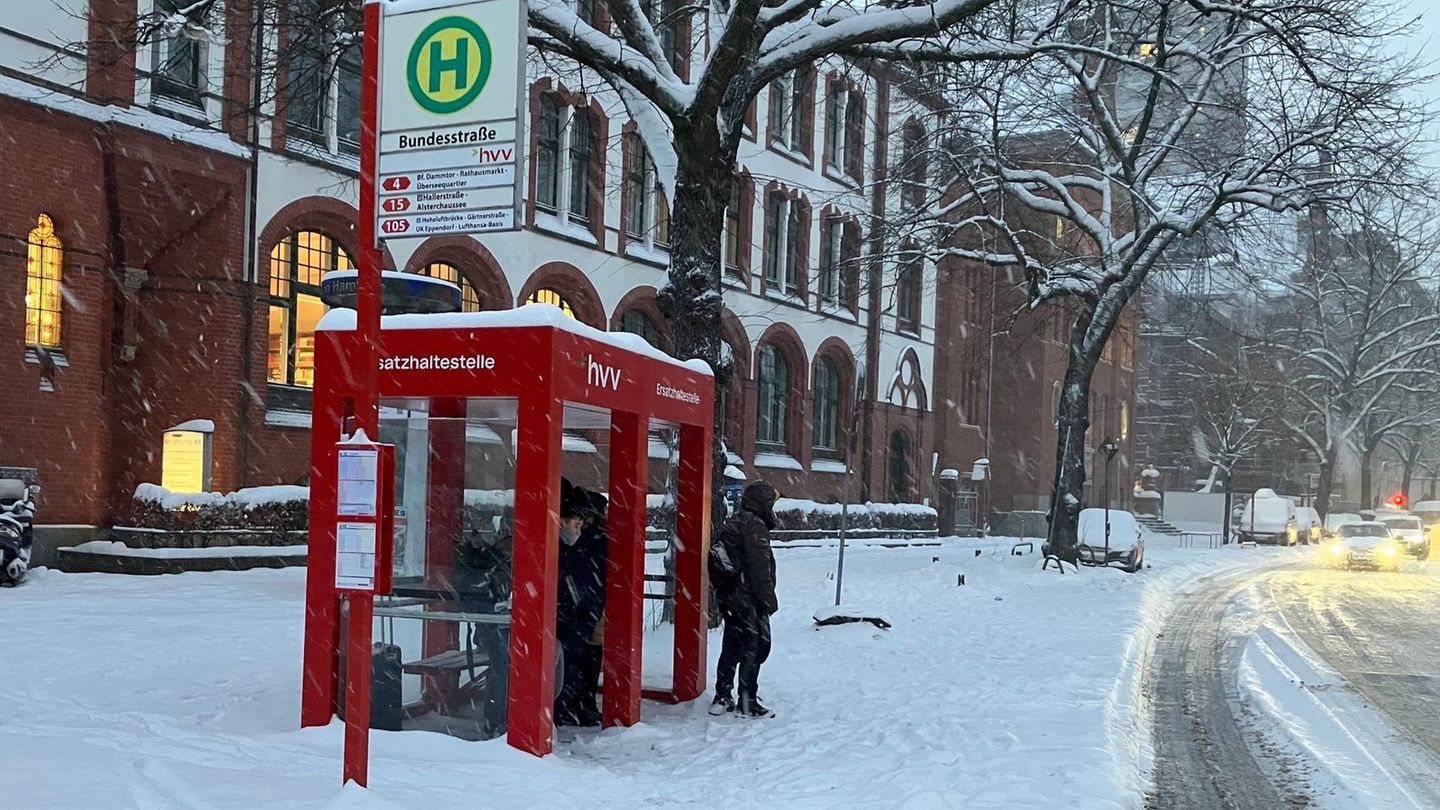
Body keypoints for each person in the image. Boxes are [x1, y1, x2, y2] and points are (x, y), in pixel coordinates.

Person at [710, 481, 779, 719]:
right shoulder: (755, 526)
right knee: (757, 646)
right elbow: (760, 570)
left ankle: (722, 695)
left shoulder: (735, 522)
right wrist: (768, 601)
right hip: (748, 598)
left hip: (731, 597)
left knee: (732, 645)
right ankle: (747, 700)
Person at [554, 479, 606, 726]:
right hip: (573, 619)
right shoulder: (567, 550)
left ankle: (565, 710)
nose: (579, 530)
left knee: (568, 672)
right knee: (566, 672)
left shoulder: (571, 548)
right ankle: (563, 711)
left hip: (575, 618)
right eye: (577, 524)